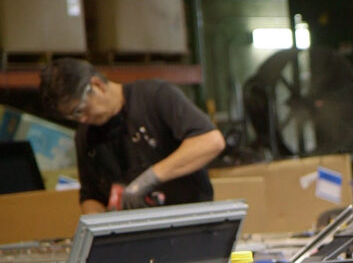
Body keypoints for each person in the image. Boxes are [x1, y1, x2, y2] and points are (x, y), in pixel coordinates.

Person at [39, 58, 225, 214]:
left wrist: (148, 180)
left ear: (97, 85)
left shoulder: (154, 97)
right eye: (73, 117)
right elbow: (91, 195)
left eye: (80, 111)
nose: (82, 120)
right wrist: (99, 225)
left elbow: (210, 141)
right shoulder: (86, 136)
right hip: (137, 238)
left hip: (189, 224)